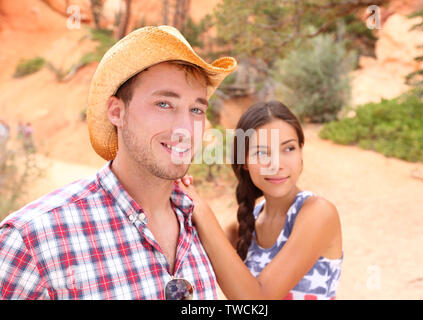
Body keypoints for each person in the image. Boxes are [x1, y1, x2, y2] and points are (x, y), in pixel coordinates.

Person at [0, 25, 237, 300]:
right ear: (117, 112)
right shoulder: (31, 242)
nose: (185, 127)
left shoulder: (198, 225)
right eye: (164, 104)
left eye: (196, 109)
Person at [178, 101, 343, 300]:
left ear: (301, 153)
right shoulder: (242, 227)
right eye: (262, 152)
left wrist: (201, 209)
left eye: (288, 149)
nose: (276, 164)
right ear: (244, 162)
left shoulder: (318, 213)